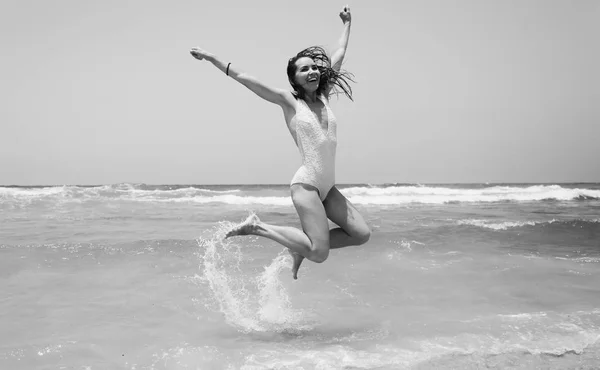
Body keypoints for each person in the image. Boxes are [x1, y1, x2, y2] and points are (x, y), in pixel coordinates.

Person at [190, 5, 370, 279]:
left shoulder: (323, 97)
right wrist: (212, 57)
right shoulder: (289, 101)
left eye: (314, 68)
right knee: (320, 254)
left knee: (361, 234)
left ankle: (299, 247)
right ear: (294, 79)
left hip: (328, 187)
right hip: (307, 184)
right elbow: (245, 79)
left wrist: (347, 23)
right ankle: (258, 227)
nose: (312, 72)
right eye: (304, 69)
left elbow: (339, 54)